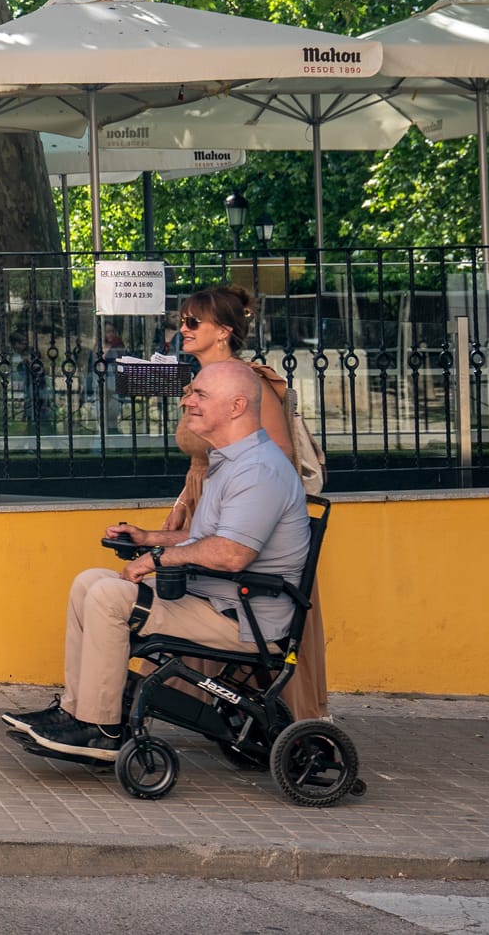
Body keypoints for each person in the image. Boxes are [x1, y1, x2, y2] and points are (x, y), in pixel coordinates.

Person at [2, 361, 311, 762]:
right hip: (218, 599)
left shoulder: (259, 471)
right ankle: (76, 711)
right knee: (88, 582)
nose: (187, 401)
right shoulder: (234, 461)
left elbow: (232, 553)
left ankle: (101, 729)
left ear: (236, 406)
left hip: (244, 618)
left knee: (109, 598)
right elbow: (210, 538)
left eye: (200, 395)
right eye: (191, 393)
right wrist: (149, 538)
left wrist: (156, 558)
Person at [162, 283, 330, 718]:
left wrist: (236, 511)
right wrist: (182, 503)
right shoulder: (201, 386)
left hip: (244, 508)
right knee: (194, 601)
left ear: (223, 331)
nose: (183, 328)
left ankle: (279, 718)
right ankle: (208, 709)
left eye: (193, 321)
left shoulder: (247, 384)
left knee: (238, 606)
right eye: (181, 320)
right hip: (204, 498)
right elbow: (204, 458)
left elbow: (275, 457)